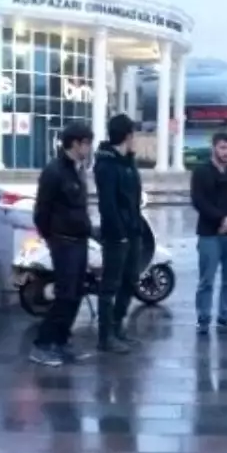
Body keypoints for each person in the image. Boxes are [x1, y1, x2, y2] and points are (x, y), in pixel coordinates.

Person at [30, 122, 96, 367]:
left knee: (77, 293)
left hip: (79, 242)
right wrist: (51, 238)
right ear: (75, 143)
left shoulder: (77, 170)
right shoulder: (54, 171)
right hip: (63, 243)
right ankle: (42, 344)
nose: (89, 148)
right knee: (65, 295)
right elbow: (41, 211)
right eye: (87, 143)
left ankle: (62, 340)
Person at [92, 114, 144, 354]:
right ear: (127, 136)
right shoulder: (106, 165)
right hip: (116, 235)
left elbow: (133, 198)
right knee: (110, 284)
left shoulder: (128, 162)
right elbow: (108, 204)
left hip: (133, 230)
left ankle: (117, 325)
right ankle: (106, 336)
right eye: (134, 134)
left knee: (131, 279)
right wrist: (119, 232)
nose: (136, 140)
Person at [190, 131, 227, 334]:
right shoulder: (202, 172)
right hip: (209, 232)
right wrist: (221, 218)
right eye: (223, 147)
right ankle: (203, 318)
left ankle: (225, 316)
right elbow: (199, 201)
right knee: (207, 278)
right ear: (214, 147)